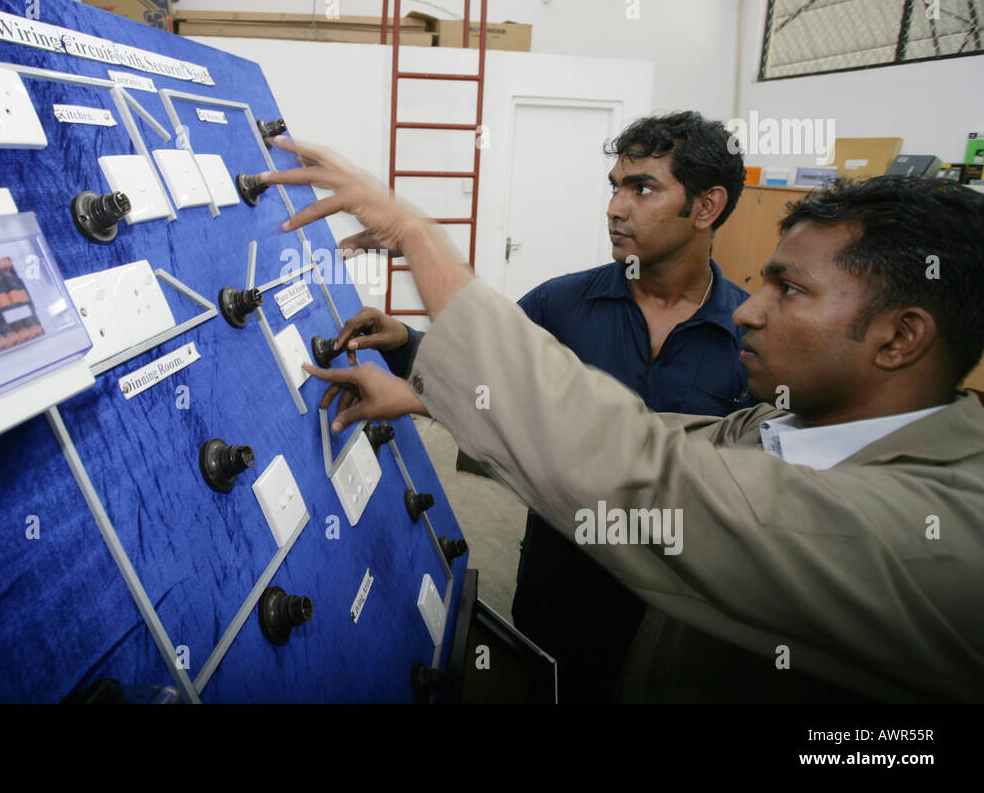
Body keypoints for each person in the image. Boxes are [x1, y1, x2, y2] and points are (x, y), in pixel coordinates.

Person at [262, 136, 984, 701]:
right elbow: (652, 434)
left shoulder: (941, 534)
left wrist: (418, 234)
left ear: (900, 337)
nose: (753, 310)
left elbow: (647, 475)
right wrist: (425, 391)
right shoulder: (785, 426)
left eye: (789, 289)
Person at [326, 112, 757, 702]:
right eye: (615, 186)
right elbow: (492, 379)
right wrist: (407, 345)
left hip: (678, 619)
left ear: (707, 207)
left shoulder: (752, 336)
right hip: (560, 591)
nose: (616, 207)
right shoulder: (562, 304)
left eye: (644, 188)